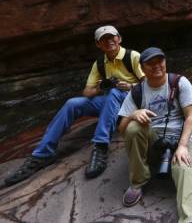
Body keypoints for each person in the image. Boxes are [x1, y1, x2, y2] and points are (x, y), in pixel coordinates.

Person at [4, 26, 144, 187]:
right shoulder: (99, 63)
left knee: (113, 93)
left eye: (111, 37)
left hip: (132, 102)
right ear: (98, 44)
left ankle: (100, 147)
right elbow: (87, 92)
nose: (109, 41)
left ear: (119, 38)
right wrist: (100, 87)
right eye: (103, 39)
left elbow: (150, 85)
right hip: (110, 103)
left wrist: (129, 87)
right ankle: (41, 155)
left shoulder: (132, 56)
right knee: (72, 103)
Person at [118, 47, 192, 223]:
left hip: (178, 137)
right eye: (151, 63)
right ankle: (138, 181)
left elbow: (190, 116)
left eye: (160, 61)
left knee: (183, 168)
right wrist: (134, 114)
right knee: (133, 128)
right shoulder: (137, 91)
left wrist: (182, 146)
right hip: (152, 137)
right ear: (142, 67)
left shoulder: (179, 82)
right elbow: (121, 128)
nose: (157, 66)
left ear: (165, 62)